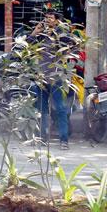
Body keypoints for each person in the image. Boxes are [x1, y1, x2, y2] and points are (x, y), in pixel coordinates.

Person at [31, 9, 74, 149]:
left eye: (50, 18)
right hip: (41, 77)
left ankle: (64, 140)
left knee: (60, 108)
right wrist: (34, 32)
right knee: (42, 109)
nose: (47, 20)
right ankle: (42, 138)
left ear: (56, 20)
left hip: (56, 77)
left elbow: (71, 46)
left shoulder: (61, 34)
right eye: (46, 17)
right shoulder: (40, 35)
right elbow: (26, 46)